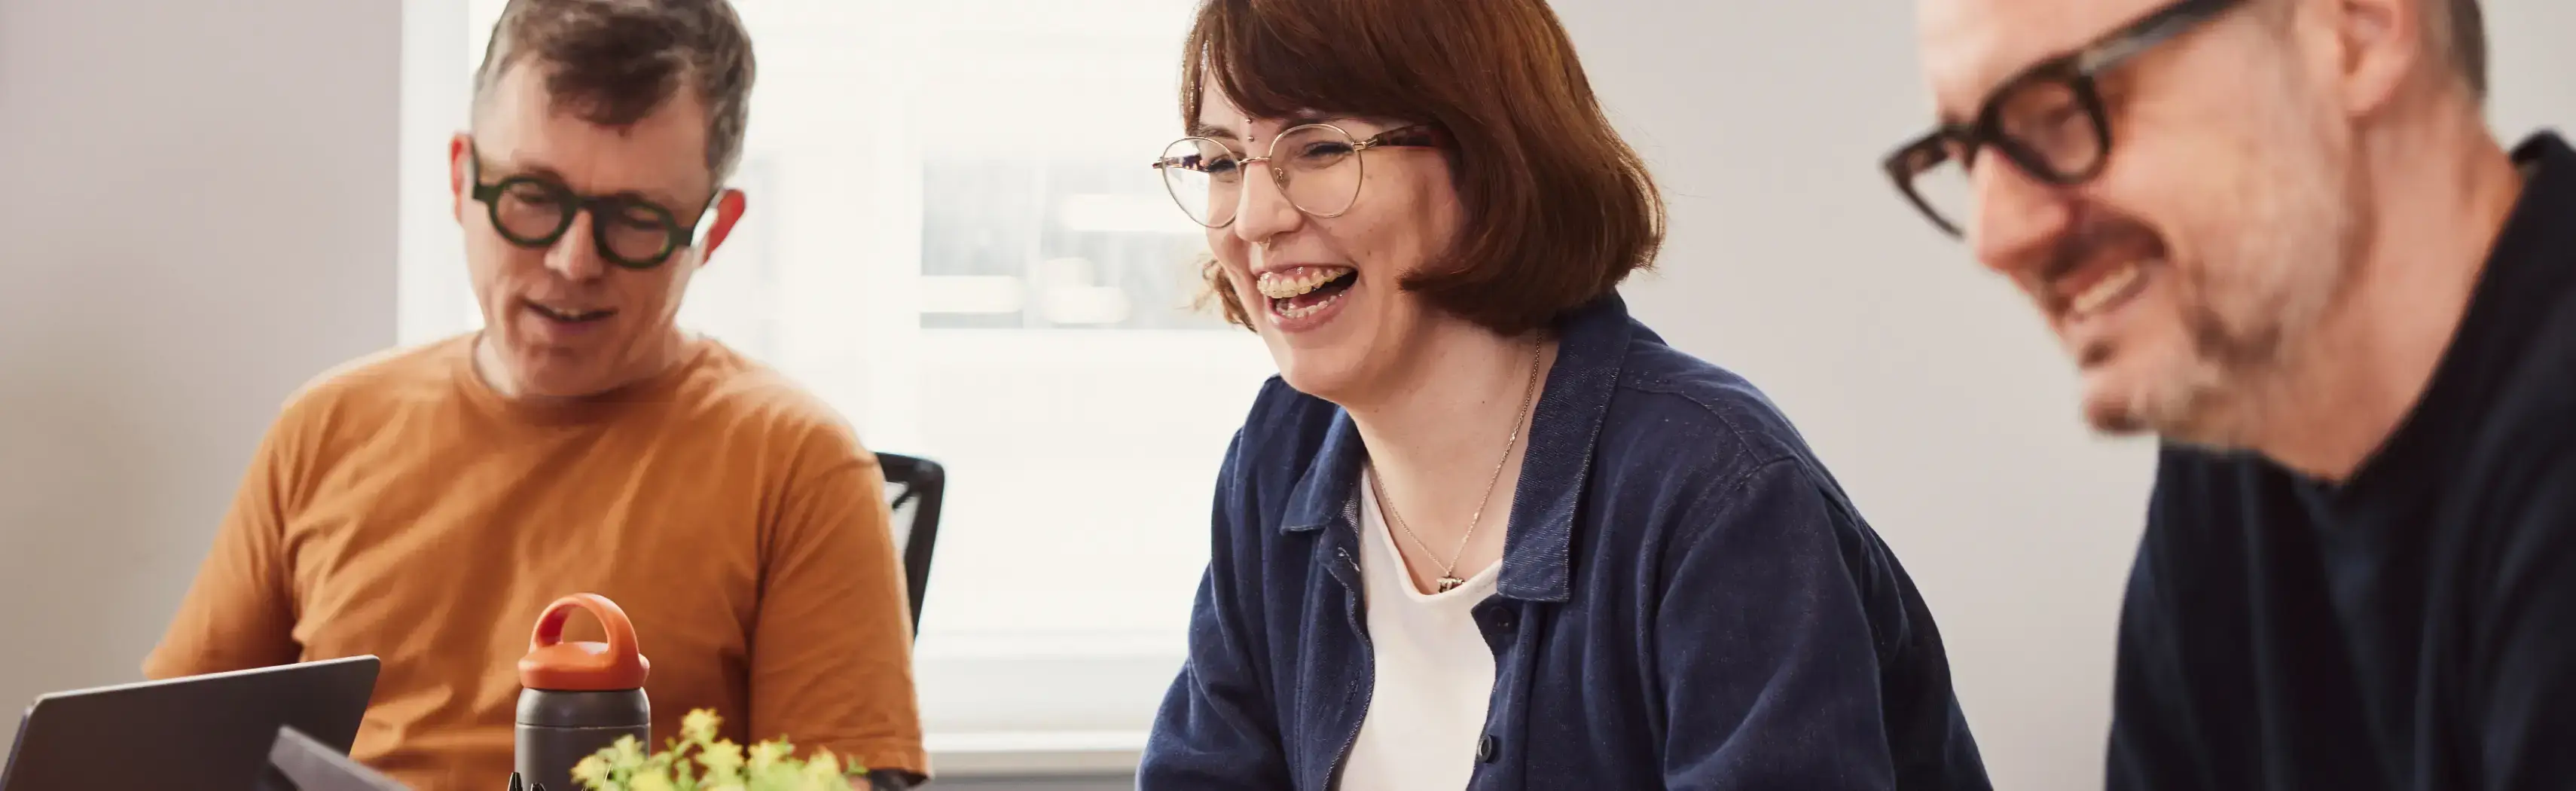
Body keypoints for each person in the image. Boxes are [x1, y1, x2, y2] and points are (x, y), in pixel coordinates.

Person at [1137, 1, 1992, 789]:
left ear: (1488, 157)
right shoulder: (1280, 454)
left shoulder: (1719, 493)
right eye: (1219, 161)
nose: (1252, 219)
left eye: (1319, 149)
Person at [142, 2, 926, 788]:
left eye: (636, 219)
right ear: (461, 179)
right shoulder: (326, 427)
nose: (572, 260)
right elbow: (162, 752)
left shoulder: (800, 465)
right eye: (533, 195)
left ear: (713, 232)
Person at [1891, 0, 2575, 786]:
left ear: (2359, 31)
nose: (1996, 237)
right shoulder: (2236, 454)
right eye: (1962, 154)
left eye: (2056, 110)